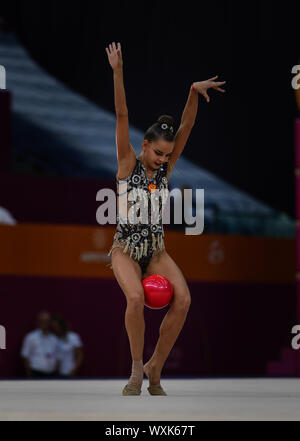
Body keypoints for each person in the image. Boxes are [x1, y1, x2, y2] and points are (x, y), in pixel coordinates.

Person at [105, 41, 225, 395]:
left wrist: (192, 91)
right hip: (125, 249)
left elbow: (186, 125)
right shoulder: (128, 162)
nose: (162, 159)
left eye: (166, 155)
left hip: (156, 250)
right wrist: (118, 72)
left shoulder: (165, 169)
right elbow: (122, 113)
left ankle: (155, 364)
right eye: (157, 153)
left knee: (184, 300)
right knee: (135, 299)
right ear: (144, 145)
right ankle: (135, 371)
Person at [21, 310, 59, 378]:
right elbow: (25, 356)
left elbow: (57, 356)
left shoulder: (54, 338)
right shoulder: (31, 337)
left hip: (52, 374)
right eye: (43, 322)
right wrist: (29, 374)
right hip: (36, 373)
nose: (45, 324)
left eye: (47, 322)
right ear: (38, 322)